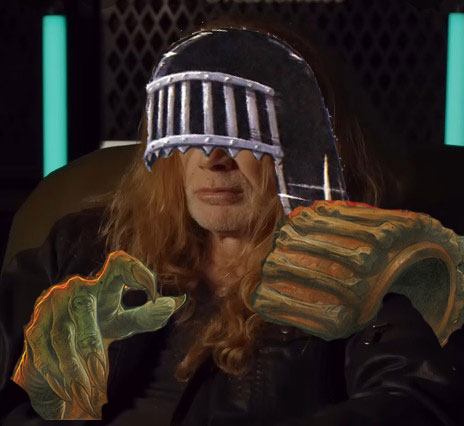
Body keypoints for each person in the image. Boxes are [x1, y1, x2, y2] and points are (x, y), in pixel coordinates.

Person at [0, 28, 463, 425]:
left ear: (304, 148)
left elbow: (415, 399)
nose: (213, 159)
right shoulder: (85, 245)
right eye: (193, 131)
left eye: (243, 134)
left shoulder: (367, 268)